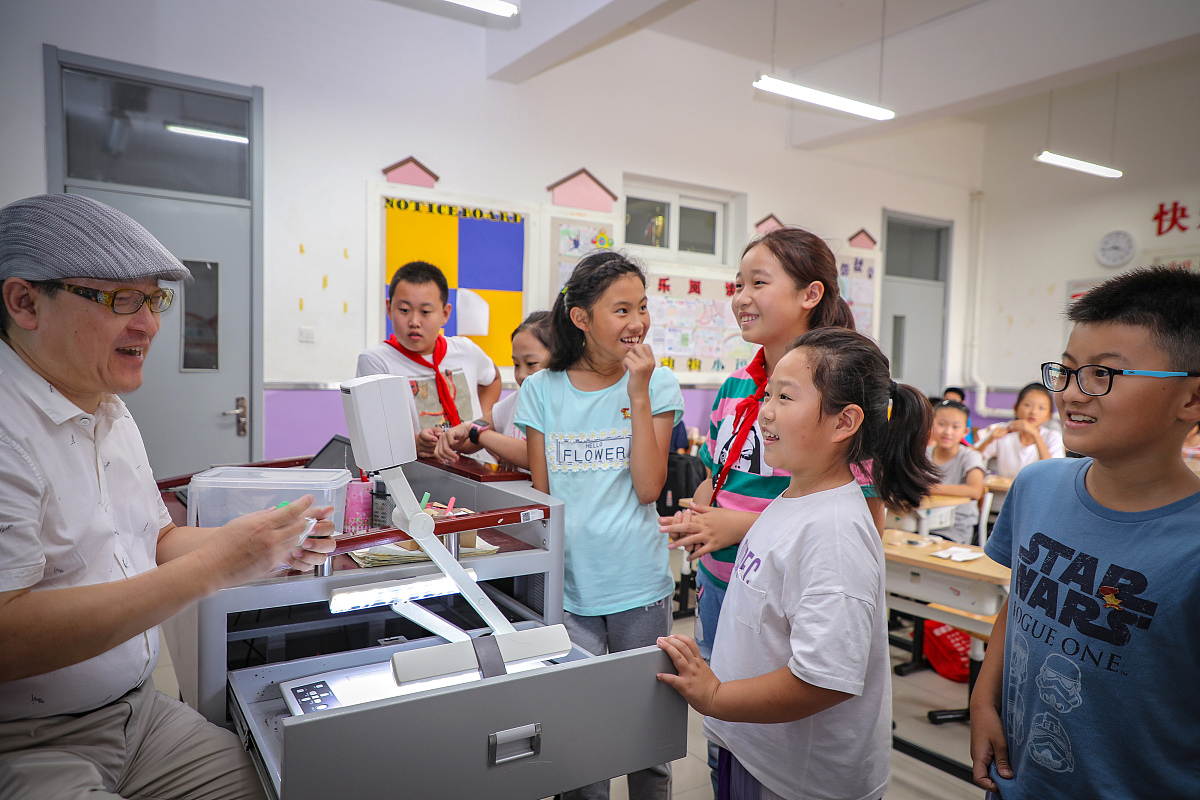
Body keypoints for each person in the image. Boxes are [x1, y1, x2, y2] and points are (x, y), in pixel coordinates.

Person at [0, 194, 336, 800]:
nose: (149, 324)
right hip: (26, 738)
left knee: (287, 782)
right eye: (119, 299)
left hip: (137, 714)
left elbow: (154, 538)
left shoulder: (108, 409)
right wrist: (217, 566)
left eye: (154, 300)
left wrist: (265, 544)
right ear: (25, 302)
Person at [657, 327, 937, 800]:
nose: (765, 411)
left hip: (797, 780)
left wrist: (715, 696)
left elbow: (823, 679)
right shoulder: (795, 496)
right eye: (768, 394)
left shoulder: (835, 532)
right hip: (756, 749)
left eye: (785, 398)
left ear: (844, 422)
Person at [970, 266, 1200, 799]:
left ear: (1191, 400)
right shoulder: (1037, 486)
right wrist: (984, 698)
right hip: (1014, 781)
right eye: (1068, 371)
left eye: (1104, 374)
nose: (1073, 393)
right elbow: (1022, 599)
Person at [660, 228, 880, 665]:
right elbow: (712, 476)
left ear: (810, 294)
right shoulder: (735, 386)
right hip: (717, 585)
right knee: (721, 721)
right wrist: (699, 519)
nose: (741, 297)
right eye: (737, 285)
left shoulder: (837, 398)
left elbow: (864, 518)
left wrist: (736, 527)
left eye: (758, 283)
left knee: (764, 716)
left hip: (783, 601)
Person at [515, 251, 682, 800]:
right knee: (581, 744)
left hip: (637, 584)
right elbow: (543, 498)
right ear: (582, 318)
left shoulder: (655, 385)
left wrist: (636, 393)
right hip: (567, 588)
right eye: (621, 310)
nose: (637, 322)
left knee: (647, 742)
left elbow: (648, 487)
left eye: (642, 307)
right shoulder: (542, 390)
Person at [356, 260, 501, 458]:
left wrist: (482, 420)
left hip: (478, 466)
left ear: (445, 314)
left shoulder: (466, 349)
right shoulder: (376, 361)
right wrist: (415, 442)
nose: (414, 321)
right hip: (424, 474)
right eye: (404, 310)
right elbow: (374, 431)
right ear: (389, 309)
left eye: (425, 312)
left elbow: (492, 378)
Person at [433, 310, 551, 468]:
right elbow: (470, 438)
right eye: (516, 365)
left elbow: (537, 456)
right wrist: (446, 436)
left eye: (531, 363)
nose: (521, 375)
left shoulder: (563, 405)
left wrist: (480, 434)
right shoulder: (518, 398)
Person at [974, 382, 1065, 478]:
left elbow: (1052, 472)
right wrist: (988, 440)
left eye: (1041, 408)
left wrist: (1036, 435)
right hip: (1004, 491)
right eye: (1028, 405)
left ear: (1048, 415)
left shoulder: (1053, 437)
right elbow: (973, 460)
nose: (1033, 412)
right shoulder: (1004, 432)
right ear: (1015, 408)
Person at [927, 399, 985, 543]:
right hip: (921, 520)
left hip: (953, 529)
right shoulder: (923, 454)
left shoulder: (970, 456)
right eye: (941, 424)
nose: (947, 431)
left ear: (965, 432)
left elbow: (975, 490)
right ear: (931, 425)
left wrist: (931, 488)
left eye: (955, 427)